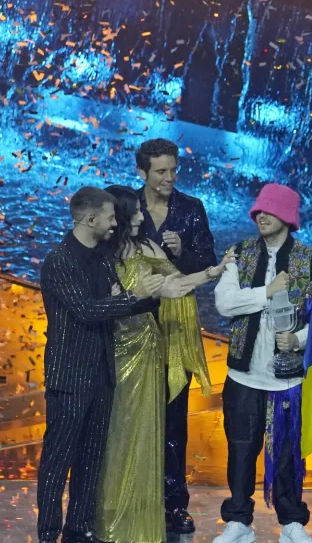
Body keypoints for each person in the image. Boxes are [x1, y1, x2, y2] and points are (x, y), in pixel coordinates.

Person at [94, 186, 229, 543]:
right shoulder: (100, 258)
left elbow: (175, 285)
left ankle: (139, 518)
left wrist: (212, 272)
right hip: (114, 358)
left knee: (146, 438)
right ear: (121, 216)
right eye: (135, 212)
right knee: (113, 437)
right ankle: (106, 518)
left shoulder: (147, 249)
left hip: (148, 356)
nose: (142, 217)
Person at [37, 186, 169, 543]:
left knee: (91, 459)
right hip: (70, 378)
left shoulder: (102, 258)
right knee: (58, 461)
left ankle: (78, 530)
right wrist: (132, 296)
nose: (116, 223)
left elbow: (113, 306)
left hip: (103, 374)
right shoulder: (60, 261)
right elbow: (87, 310)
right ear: (90, 218)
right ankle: (48, 533)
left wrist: (151, 298)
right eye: (110, 217)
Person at [212, 184, 312, 543]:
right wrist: (264, 293)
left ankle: (292, 522)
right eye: (258, 212)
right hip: (244, 374)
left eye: (269, 211)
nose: (260, 216)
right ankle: (238, 521)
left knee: (287, 453)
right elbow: (224, 303)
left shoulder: (311, 260)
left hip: (288, 379)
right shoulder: (240, 253)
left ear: (287, 217)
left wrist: (298, 340)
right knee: (240, 448)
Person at [134, 137, 218, 534]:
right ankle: (135, 498)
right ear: (143, 173)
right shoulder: (126, 208)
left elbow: (208, 262)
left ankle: (174, 504)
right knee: (135, 416)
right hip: (135, 324)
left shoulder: (191, 209)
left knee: (174, 418)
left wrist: (182, 250)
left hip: (177, 324)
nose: (169, 178)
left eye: (173, 170)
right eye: (161, 172)